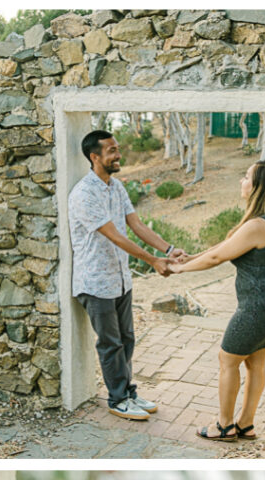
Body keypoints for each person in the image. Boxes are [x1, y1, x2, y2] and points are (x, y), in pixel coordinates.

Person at [68, 131, 186, 422]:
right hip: (96, 282)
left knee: (127, 339)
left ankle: (128, 392)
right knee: (111, 343)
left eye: (117, 149)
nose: (118, 154)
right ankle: (117, 399)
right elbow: (115, 237)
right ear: (95, 157)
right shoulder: (84, 194)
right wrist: (153, 261)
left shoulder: (117, 187)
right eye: (111, 150)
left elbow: (135, 224)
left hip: (120, 279)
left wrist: (168, 250)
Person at [169, 160, 265, 443]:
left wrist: (180, 269)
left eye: (246, 177)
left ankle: (224, 425)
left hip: (253, 310)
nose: (241, 182)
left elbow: (219, 257)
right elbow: (222, 247)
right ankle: (246, 424)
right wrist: (192, 257)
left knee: (227, 360)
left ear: (259, 187)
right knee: (256, 364)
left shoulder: (257, 225)